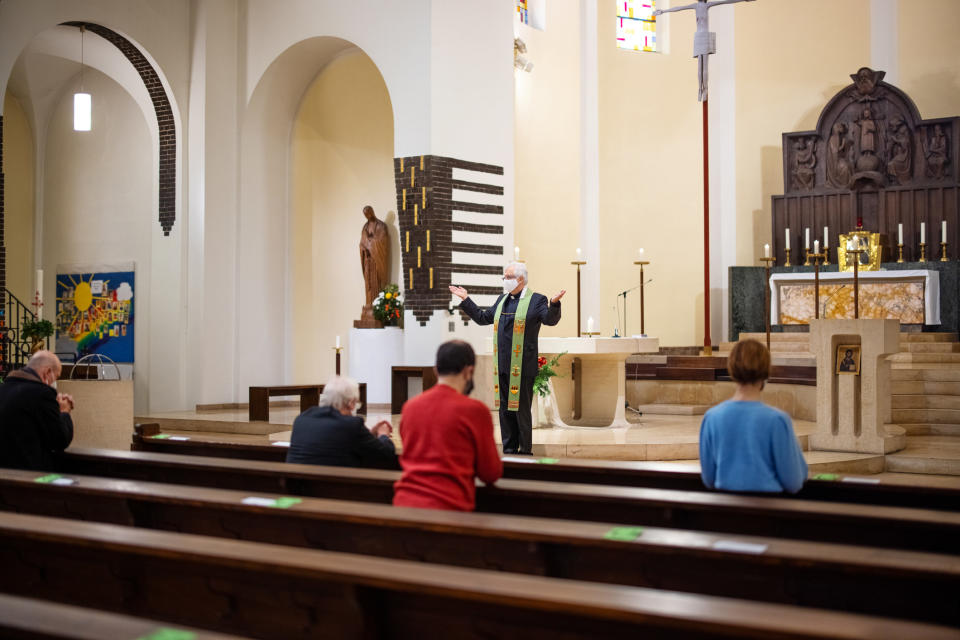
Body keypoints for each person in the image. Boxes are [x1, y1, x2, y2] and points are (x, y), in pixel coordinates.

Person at [450, 262, 564, 455]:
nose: (505, 280)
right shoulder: (502, 300)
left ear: (520, 279)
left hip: (523, 367)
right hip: (503, 365)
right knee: (505, 410)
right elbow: (483, 317)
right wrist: (466, 299)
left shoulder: (536, 300)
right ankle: (509, 449)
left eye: (508, 277)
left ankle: (525, 451)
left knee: (521, 410)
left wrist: (553, 304)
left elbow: (549, 320)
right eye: (505, 277)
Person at [393, 340, 502, 511]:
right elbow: (490, 472)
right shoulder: (474, 410)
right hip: (449, 509)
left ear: (436, 371)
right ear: (469, 371)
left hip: (403, 505)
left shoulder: (410, 407)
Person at [699, 340, 807, 493]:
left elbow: (708, 479)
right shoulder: (777, 420)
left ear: (731, 368)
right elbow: (793, 482)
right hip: (766, 512)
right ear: (766, 371)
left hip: (724, 512)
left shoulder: (712, 417)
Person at [286, 376, 397, 469]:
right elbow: (385, 454)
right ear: (351, 403)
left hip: (296, 489)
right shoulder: (351, 425)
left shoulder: (302, 419)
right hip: (334, 491)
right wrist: (383, 434)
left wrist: (369, 435)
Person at [0, 351, 74, 471]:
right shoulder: (42, 394)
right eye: (57, 376)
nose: (54, 382)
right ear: (48, 372)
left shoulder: (3, 388)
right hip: (28, 475)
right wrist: (64, 412)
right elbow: (60, 440)